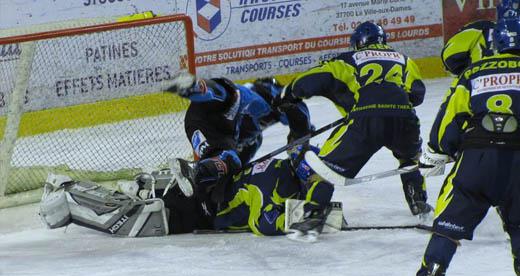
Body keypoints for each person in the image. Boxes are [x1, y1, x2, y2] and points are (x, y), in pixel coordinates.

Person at [405, 16, 520, 276]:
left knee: (448, 227)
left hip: (476, 162)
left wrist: (436, 153)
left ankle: (428, 275)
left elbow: (449, 119)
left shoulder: (474, 72)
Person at [278, 21, 430, 241]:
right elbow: (418, 94)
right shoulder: (404, 59)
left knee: (323, 167)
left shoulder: (347, 59)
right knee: (410, 158)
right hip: (405, 119)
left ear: (357, 42)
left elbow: (311, 80)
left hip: (366, 120)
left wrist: (289, 93)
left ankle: (313, 216)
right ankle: (419, 203)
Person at [38, 152, 341, 237]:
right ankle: (66, 198)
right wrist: (321, 216)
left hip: (200, 200)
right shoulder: (281, 182)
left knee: (139, 207)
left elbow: (264, 221)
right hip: (201, 205)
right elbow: (264, 223)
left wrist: (324, 215)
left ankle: (69, 194)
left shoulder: (281, 168)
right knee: (127, 216)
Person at [164, 73, 311, 204]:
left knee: (229, 163)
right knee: (229, 95)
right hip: (213, 112)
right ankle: (194, 87)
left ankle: (194, 177)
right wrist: (301, 142)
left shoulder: (253, 140)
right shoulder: (266, 95)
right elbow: (299, 117)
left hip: (203, 127)